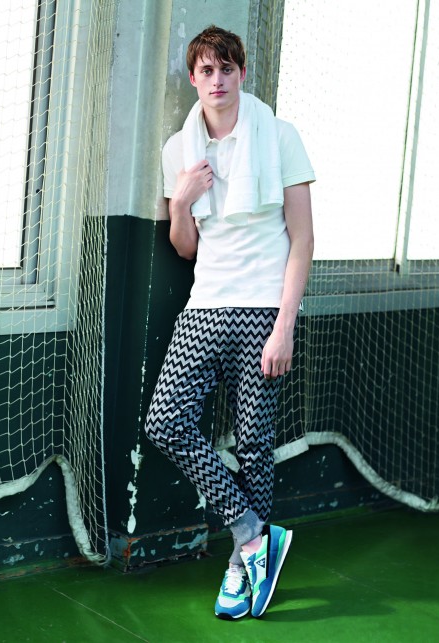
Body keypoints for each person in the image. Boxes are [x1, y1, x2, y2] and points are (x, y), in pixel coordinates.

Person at [145, 25, 315, 620]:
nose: (217, 80)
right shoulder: (179, 149)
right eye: (206, 71)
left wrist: (284, 326)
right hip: (205, 305)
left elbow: (302, 240)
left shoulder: (281, 136)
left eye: (226, 69)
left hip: (264, 309)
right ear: (193, 79)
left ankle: (243, 570)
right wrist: (180, 200)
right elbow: (185, 247)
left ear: (242, 73)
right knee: (165, 422)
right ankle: (250, 533)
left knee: (254, 445)